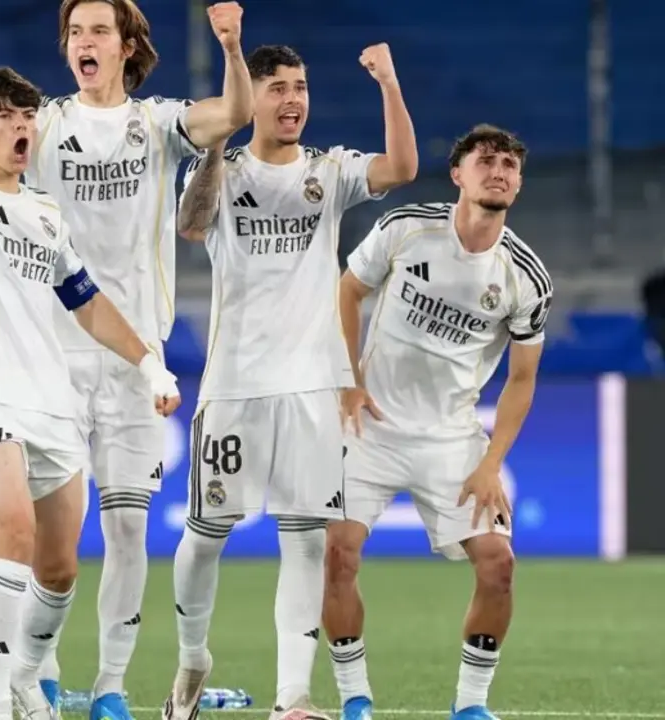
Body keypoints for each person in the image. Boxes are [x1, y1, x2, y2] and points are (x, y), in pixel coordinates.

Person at [0, 3, 253, 716]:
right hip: (30, 370)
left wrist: (231, 46)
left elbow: (234, 114)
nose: (82, 42)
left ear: (127, 45)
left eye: (98, 29)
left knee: (101, 540)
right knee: (19, 541)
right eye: (73, 33)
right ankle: (12, 694)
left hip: (124, 355)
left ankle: (105, 687)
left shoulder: (148, 130)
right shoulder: (34, 131)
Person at [166, 43, 418, 720]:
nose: (292, 100)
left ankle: (292, 698)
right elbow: (191, 226)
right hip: (236, 383)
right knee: (207, 533)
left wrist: (388, 82)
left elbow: (402, 167)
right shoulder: (223, 168)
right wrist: (216, 143)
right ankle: (192, 657)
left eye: (300, 87)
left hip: (312, 385)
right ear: (252, 101)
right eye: (275, 88)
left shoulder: (329, 170)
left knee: (306, 538)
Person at [0, 66, 181, 720]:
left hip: (51, 402)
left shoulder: (43, 212)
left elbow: (86, 302)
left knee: (59, 569)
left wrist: (150, 365)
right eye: (6, 115)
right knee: (11, 539)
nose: (22, 127)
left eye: (28, 115)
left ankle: (25, 676)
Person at [324, 125, 549, 720]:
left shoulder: (525, 277)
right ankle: (354, 700)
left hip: (452, 438)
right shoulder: (406, 228)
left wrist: (490, 464)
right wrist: (349, 380)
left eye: (509, 165)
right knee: (338, 556)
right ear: (458, 174)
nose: (498, 170)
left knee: (499, 567)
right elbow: (347, 292)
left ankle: (471, 707)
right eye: (486, 160)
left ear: (519, 184)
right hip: (370, 429)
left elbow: (522, 380)